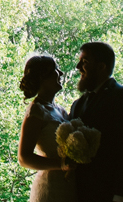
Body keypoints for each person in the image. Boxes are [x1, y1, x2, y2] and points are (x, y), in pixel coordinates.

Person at [69, 42, 123, 202]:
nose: (78, 67)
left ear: (101, 67)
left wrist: (122, 197)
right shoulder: (78, 104)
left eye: (84, 62)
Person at [18, 54, 77, 202]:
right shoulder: (36, 111)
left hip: (69, 188)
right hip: (50, 189)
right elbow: (24, 158)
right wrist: (61, 165)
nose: (61, 73)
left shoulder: (60, 110)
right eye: (56, 69)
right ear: (43, 77)